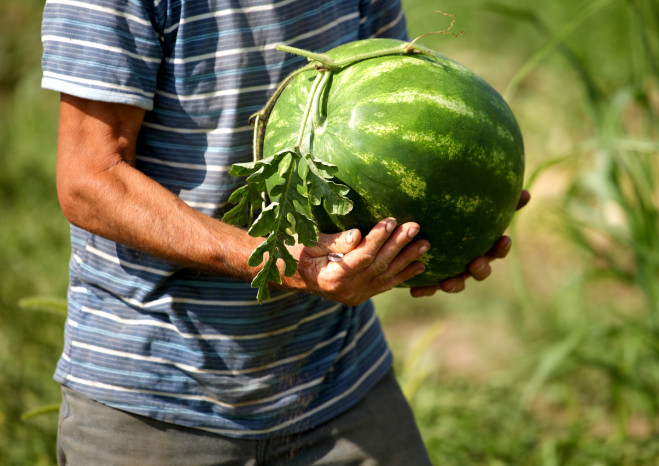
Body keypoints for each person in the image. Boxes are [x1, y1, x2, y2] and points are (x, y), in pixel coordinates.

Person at [42, 0, 529, 464]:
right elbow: (90, 179)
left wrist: (435, 231)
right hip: (157, 403)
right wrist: (273, 260)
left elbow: (403, 97)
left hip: (341, 381)